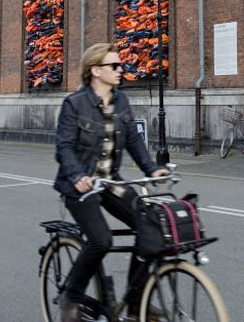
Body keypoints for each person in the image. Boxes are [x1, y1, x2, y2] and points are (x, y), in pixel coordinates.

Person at [54, 43, 168, 322]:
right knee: (100, 240)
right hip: (79, 187)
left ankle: (136, 304)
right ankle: (71, 297)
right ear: (96, 71)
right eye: (114, 66)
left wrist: (152, 170)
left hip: (109, 183)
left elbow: (133, 141)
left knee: (151, 227)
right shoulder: (74, 103)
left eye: (120, 65)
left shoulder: (121, 101)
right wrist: (77, 176)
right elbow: (64, 148)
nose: (120, 70)